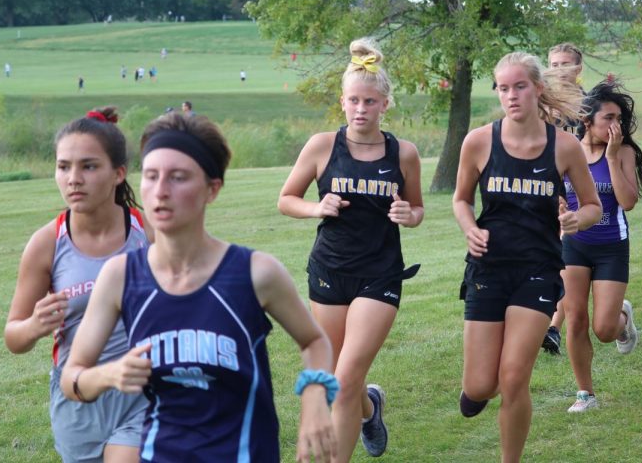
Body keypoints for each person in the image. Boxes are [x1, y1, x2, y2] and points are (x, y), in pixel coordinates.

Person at [62, 112, 337, 462]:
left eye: (178, 178)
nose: (160, 191)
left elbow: (315, 340)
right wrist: (106, 374)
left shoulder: (255, 273)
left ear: (212, 188)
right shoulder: (120, 276)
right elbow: (73, 377)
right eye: (151, 176)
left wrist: (314, 395)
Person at [278, 38, 424, 461]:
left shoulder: (404, 154)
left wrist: (406, 214)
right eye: (354, 100)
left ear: (385, 104)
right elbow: (286, 198)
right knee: (342, 375)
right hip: (329, 271)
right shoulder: (323, 146)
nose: (361, 109)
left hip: (379, 273)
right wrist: (314, 207)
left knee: (339, 384)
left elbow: (417, 210)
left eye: (370, 101)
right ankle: (370, 409)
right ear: (342, 102)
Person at [453, 52, 601, 463]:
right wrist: (469, 228)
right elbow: (462, 199)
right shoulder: (479, 141)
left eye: (520, 86)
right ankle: (476, 391)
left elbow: (593, 206)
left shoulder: (565, 146)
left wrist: (576, 219)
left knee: (514, 378)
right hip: (488, 269)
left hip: (538, 271)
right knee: (482, 385)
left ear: (537, 88)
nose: (512, 95)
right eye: (503, 88)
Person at [4, 107, 151, 462]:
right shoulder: (47, 244)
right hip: (77, 395)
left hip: (139, 391)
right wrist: (35, 326)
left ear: (118, 173)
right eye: (63, 166)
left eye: (88, 166)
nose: (73, 178)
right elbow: (13, 337)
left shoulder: (147, 232)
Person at [559, 79, 642, 413]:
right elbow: (556, 195)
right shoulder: (567, 150)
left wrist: (611, 158)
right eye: (608, 118)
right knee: (576, 318)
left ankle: (623, 319)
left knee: (605, 330)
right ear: (587, 122)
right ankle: (586, 394)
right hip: (574, 246)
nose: (616, 125)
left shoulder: (623, 152)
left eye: (619, 119)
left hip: (611, 245)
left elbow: (628, 201)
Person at [542, 42, 587, 355]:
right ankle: (551, 324)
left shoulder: (589, 104)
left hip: (581, 187)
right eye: (554, 64)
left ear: (578, 68)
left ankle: (553, 327)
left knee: (565, 255)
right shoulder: (539, 103)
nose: (559, 70)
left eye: (566, 64)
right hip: (547, 184)